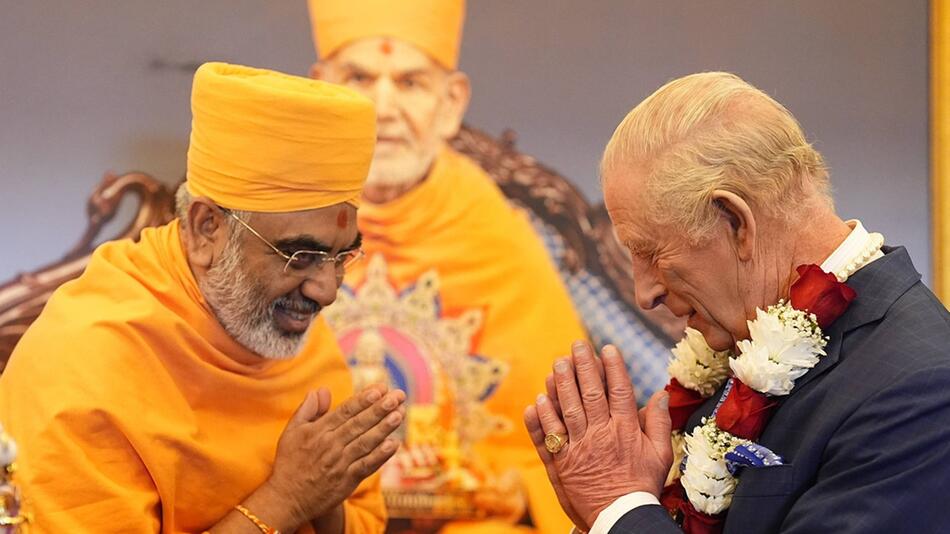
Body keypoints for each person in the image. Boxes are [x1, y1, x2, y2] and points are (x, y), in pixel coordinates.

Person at [524, 72, 950, 533]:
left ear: (735, 222)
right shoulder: (741, 354)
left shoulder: (921, 389)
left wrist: (619, 509)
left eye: (650, 252)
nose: (644, 293)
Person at [0, 62, 407, 534]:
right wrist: (286, 499)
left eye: (342, 256)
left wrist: (324, 496)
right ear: (206, 229)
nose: (327, 291)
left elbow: (356, 516)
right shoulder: (84, 362)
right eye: (299, 255)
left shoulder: (291, 334)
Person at [305, 1, 588, 532]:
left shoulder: (495, 236)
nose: (383, 107)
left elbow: (563, 440)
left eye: (410, 83)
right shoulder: (275, 215)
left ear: (451, 101)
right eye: (360, 77)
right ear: (321, 87)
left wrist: (487, 485)